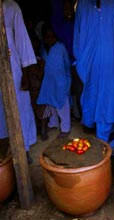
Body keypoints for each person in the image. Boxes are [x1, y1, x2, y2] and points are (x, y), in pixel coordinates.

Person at [73, 0, 114, 141]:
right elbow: (78, 32)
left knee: (109, 94)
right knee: (91, 90)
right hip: (88, 57)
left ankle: (105, 130)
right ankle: (90, 122)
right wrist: (79, 58)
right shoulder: (83, 5)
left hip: (111, 55)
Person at [0, 0, 37, 152]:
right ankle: (4, 148)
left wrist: (26, 73)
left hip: (14, 69)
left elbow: (22, 40)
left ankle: (24, 148)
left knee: (20, 107)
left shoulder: (11, 7)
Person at [37, 25, 71, 138]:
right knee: (51, 103)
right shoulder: (43, 49)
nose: (50, 39)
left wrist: (67, 79)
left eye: (52, 36)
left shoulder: (60, 47)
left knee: (62, 104)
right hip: (49, 82)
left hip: (61, 81)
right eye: (47, 37)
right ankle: (54, 123)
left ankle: (65, 128)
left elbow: (67, 64)